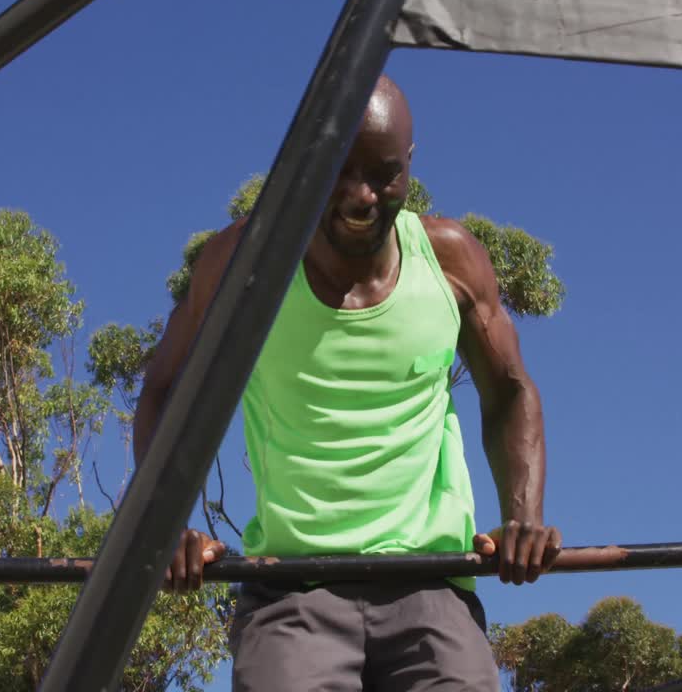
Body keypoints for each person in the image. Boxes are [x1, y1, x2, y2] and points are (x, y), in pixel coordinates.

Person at [132, 74, 560, 691]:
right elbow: (164, 388)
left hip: (429, 581)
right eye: (338, 169)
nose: (361, 197)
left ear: (409, 167)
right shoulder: (243, 264)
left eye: (383, 174)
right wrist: (163, 526)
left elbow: (511, 390)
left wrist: (523, 516)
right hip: (293, 589)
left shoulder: (451, 261)